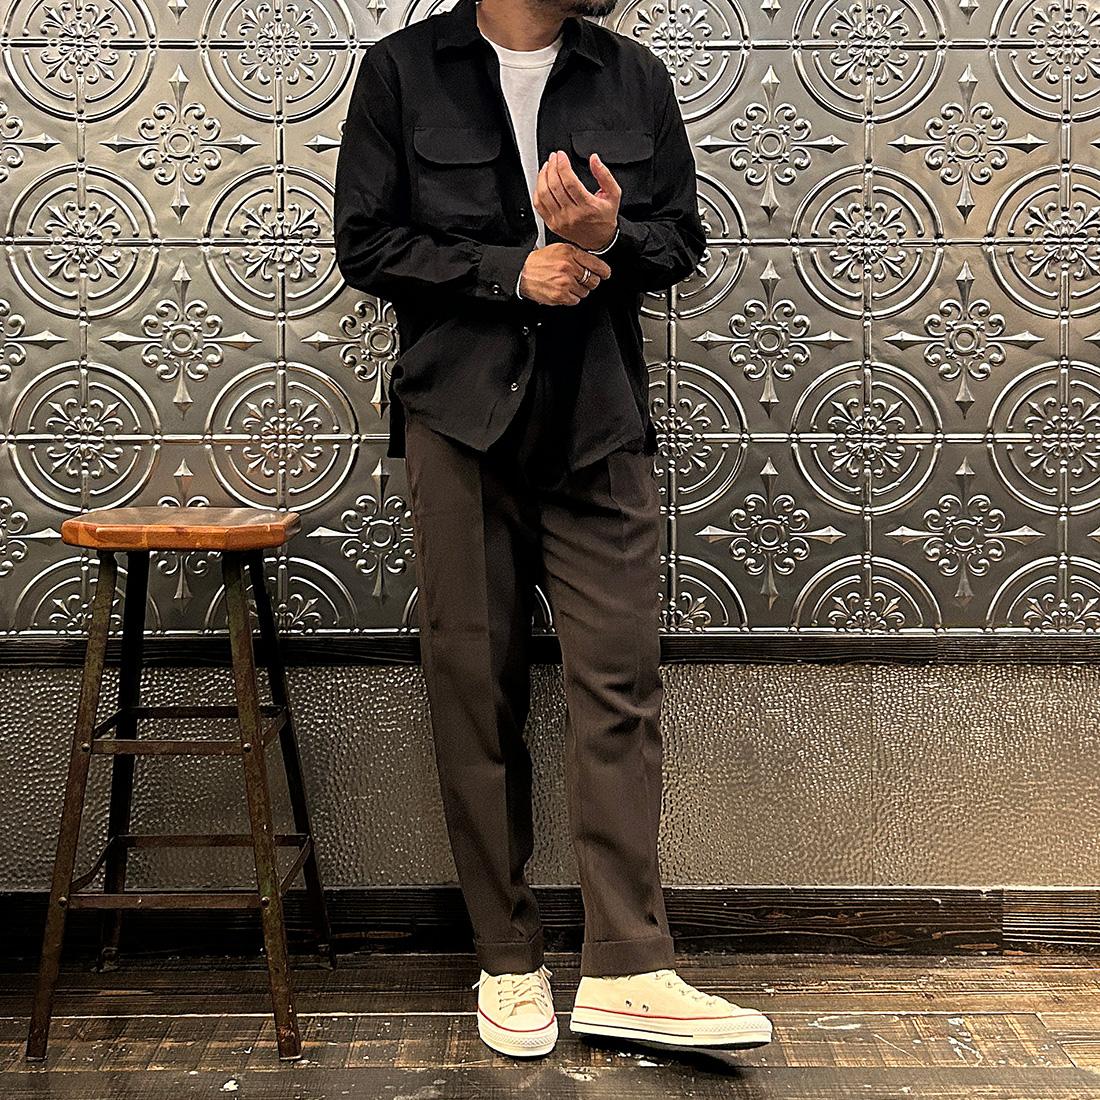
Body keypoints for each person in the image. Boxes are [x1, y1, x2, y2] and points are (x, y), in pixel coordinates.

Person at [334, 0, 773, 1059]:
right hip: (458, 426)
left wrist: (605, 237)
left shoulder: (633, 75)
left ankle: (628, 966)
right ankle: (507, 957)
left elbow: (681, 239)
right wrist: (509, 269)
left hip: (599, 424)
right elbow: (367, 243)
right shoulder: (400, 71)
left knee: (619, 690)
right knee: (473, 694)